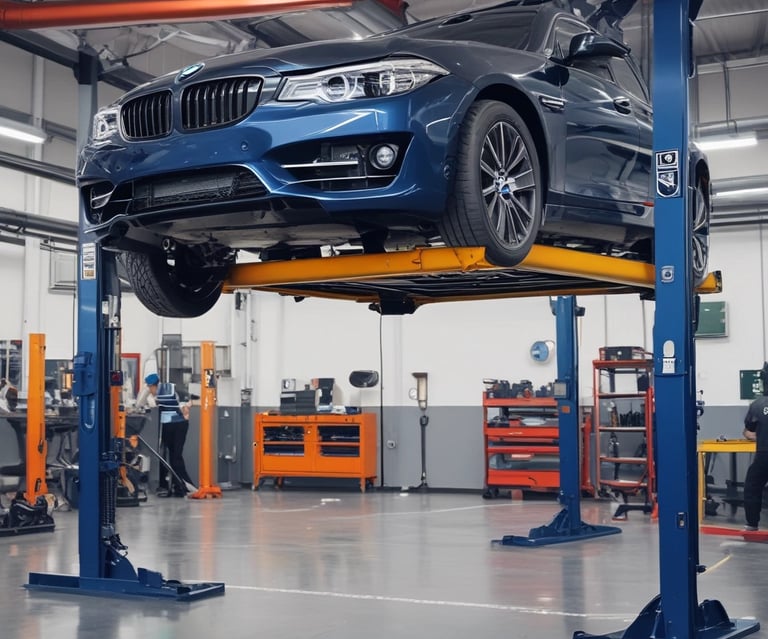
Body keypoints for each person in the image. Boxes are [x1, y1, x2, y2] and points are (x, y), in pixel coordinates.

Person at [155, 380, 197, 498]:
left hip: (177, 426)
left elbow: (184, 409)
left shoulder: (165, 392)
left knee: (175, 457)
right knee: (174, 456)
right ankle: (178, 486)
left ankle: (186, 486)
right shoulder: (166, 392)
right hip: (174, 425)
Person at [742, 362, 768, 531]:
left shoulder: (757, 405)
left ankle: (752, 524)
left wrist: (761, 435)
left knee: (752, 486)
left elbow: (748, 432)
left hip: (764, 454)